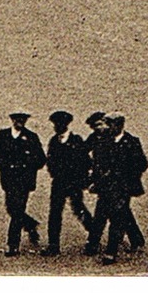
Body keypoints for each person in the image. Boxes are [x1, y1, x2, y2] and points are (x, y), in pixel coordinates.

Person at [86, 113, 148, 264]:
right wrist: (94, 181)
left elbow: (141, 164)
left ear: (119, 125)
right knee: (101, 214)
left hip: (123, 187)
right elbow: (98, 164)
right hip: (105, 186)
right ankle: (135, 239)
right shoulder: (104, 141)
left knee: (117, 218)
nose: (106, 127)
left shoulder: (132, 142)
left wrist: (124, 175)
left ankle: (111, 251)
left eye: (110, 124)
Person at [0, 111, 46, 255]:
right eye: (17, 120)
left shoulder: (32, 137)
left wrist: (26, 166)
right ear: (12, 121)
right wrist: (5, 165)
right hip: (8, 179)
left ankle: (12, 244)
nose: (19, 122)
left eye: (22, 120)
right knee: (11, 208)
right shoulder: (3, 135)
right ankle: (30, 224)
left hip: (24, 180)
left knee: (17, 211)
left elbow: (40, 159)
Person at [43, 110, 93, 256]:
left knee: (78, 209)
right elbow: (50, 160)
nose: (56, 127)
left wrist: (80, 179)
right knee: (54, 212)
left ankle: (94, 234)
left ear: (66, 125)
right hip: (58, 183)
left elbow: (85, 161)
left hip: (74, 182)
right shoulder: (53, 141)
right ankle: (53, 245)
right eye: (55, 124)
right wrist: (54, 173)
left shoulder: (76, 140)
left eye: (59, 124)